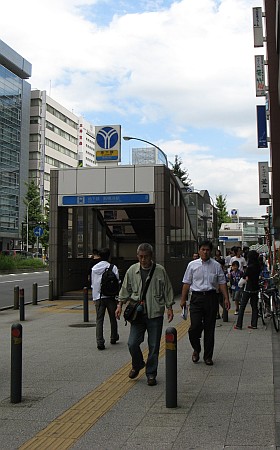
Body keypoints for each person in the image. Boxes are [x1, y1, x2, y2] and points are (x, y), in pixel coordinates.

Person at [116, 243, 174, 386]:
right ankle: (137, 364)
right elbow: (125, 289)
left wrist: (170, 307)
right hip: (138, 314)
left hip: (155, 313)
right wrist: (119, 305)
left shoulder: (160, 271)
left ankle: (151, 373)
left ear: (151, 256)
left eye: (146, 257)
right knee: (132, 343)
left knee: (154, 346)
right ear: (137, 256)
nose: (143, 260)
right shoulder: (132, 270)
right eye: (140, 257)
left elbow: (167, 289)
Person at [180, 240, 230, 366]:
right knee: (194, 327)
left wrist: (226, 298)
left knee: (209, 329)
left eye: (207, 250)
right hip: (196, 299)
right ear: (199, 250)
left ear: (211, 251)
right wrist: (183, 299)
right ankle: (196, 349)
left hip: (211, 298)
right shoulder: (192, 265)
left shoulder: (216, 265)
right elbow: (186, 283)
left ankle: (208, 356)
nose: (205, 252)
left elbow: (222, 283)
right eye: (203, 249)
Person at [91, 247, 119, 350]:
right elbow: (117, 282)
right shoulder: (113, 267)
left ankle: (100, 342)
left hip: (99, 297)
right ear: (109, 256)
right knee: (113, 317)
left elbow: (93, 284)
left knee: (99, 320)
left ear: (99, 256)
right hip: (111, 297)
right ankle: (113, 337)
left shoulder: (94, 269)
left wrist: (94, 298)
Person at [234, 250, 261, 330]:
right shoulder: (258, 266)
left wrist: (246, 277)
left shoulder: (250, 267)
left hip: (248, 288)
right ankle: (254, 324)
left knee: (242, 307)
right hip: (256, 288)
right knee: (254, 307)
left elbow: (244, 276)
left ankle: (239, 325)